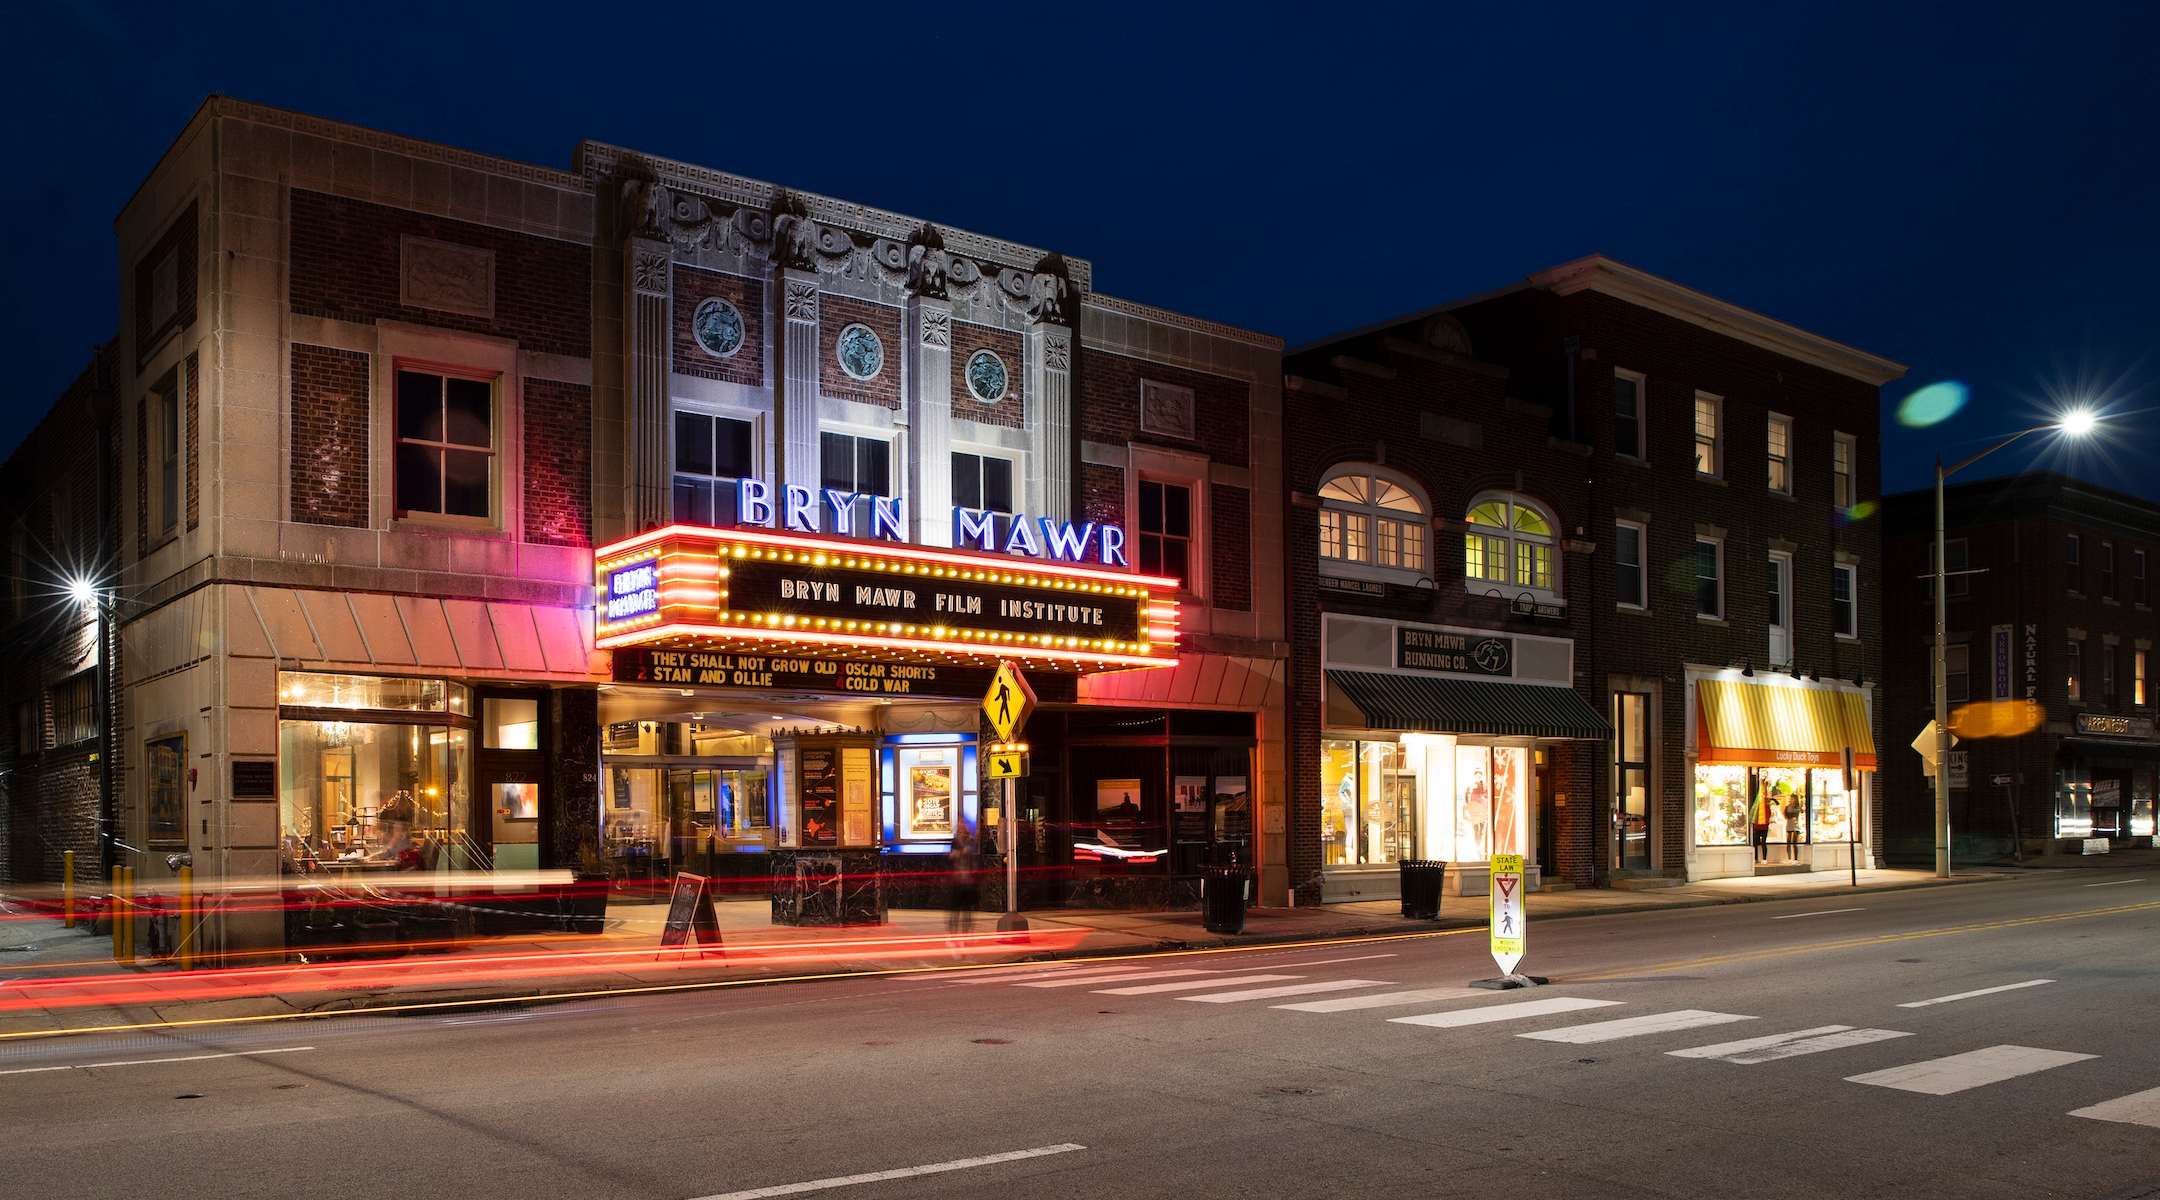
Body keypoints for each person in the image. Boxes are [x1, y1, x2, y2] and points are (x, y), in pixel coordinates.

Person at [1751, 781, 1772, 863]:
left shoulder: (1762, 804)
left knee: (1758, 843)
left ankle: (1758, 858)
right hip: (1761, 826)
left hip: (1760, 826)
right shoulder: (1765, 804)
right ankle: (1762, 858)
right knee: (1762, 843)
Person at [1783, 791, 1804, 860]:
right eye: (1790, 798)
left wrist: (1791, 815)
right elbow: (1787, 815)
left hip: (1796, 827)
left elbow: (1795, 814)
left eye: (1792, 799)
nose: (1791, 800)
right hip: (1789, 825)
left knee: (1795, 843)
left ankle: (1795, 859)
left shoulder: (1797, 807)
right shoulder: (1788, 807)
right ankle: (1789, 858)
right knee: (1788, 842)